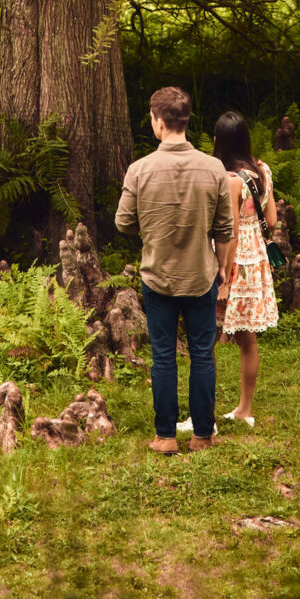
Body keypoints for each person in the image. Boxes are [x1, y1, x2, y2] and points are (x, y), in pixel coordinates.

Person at [114, 85, 234, 454]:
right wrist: (224, 271)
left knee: (163, 356)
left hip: (157, 276)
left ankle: (165, 437)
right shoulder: (214, 168)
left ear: (158, 121)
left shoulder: (140, 169)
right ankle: (202, 435)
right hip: (201, 277)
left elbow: (123, 222)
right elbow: (225, 229)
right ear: (185, 120)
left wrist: (150, 226)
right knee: (202, 355)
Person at [212, 110, 278, 427]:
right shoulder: (262, 170)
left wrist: (224, 277)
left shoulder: (230, 180)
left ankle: (202, 411)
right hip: (257, 261)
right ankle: (245, 409)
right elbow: (274, 221)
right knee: (248, 339)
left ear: (220, 142)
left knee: (206, 338)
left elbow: (231, 234)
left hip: (234, 263)